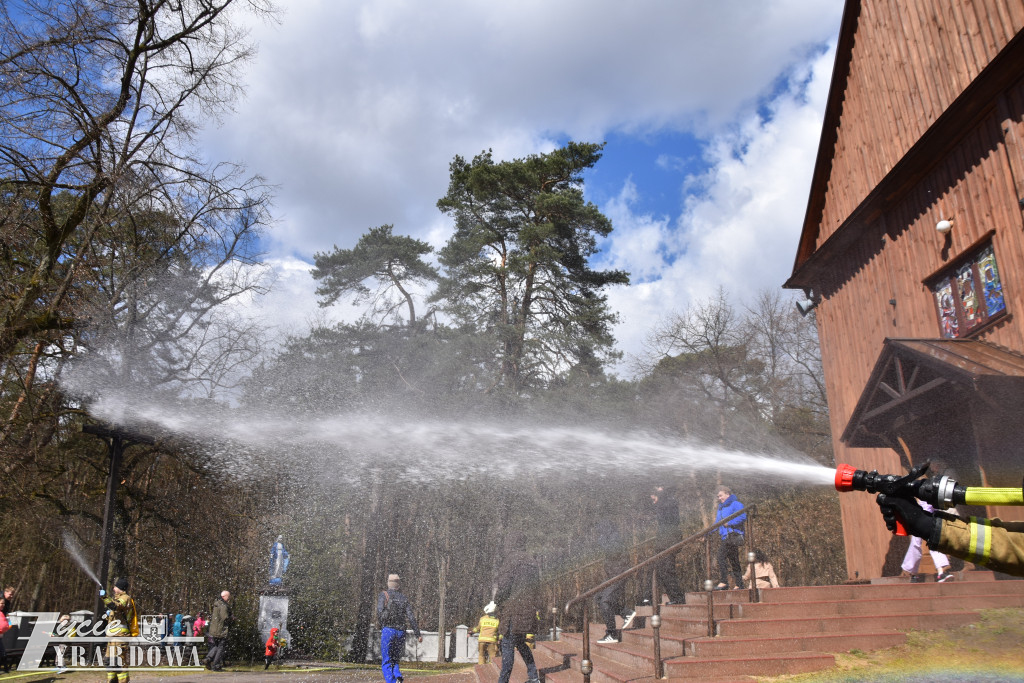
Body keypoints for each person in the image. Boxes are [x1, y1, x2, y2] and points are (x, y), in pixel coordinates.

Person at [877, 494, 1024, 577]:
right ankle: (911, 570)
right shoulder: (924, 490)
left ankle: (936, 569)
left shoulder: (935, 488)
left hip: (939, 521)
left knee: (931, 543)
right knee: (920, 543)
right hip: (935, 523)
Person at [494, 532, 541, 683]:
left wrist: (496, 601)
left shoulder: (511, 560)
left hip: (512, 612)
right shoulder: (532, 561)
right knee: (520, 642)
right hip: (527, 610)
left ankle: (503, 680)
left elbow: (504, 586)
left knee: (507, 645)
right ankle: (533, 676)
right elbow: (536, 588)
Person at [595, 521, 636, 644]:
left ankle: (612, 634)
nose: (598, 532)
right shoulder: (609, 536)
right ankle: (626, 613)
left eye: (599, 528)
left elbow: (613, 551)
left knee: (605, 601)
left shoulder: (614, 537)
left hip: (619, 573)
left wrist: (602, 541)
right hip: (613, 574)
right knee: (598, 597)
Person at [376, 574, 422, 683]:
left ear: (388, 583)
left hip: (388, 630)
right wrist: (418, 634)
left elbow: (380, 614)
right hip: (401, 632)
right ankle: (397, 675)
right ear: (398, 585)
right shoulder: (403, 598)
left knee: (386, 661)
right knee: (395, 659)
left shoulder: (384, 595)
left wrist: (383, 621)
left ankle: (392, 681)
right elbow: (411, 617)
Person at [644, 485, 686, 604]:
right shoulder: (663, 504)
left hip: (670, 541)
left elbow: (671, 520)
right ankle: (648, 597)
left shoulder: (669, 503)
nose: (653, 503)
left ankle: (678, 598)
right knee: (655, 568)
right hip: (663, 542)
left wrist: (660, 496)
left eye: (654, 499)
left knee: (667, 570)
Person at [900, 499, 954, 582]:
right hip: (921, 513)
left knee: (931, 540)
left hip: (929, 513)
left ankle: (940, 571)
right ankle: (912, 573)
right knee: (917, 542)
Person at [100, 577, 139, 683]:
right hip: (113, 637)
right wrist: (108, 616)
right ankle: (111, 681)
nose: (113, 588)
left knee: (119, 661)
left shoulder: (125, 598)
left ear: (120, 588)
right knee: (109, 661)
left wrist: (104, 597)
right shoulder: (117, 599)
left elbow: (115, 606)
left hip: (120, 636)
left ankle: (123, 681)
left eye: (115, 586)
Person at [714, 487, 746, 590]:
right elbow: (717, 524)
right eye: (718, 496)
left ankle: (724, 581)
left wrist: (730, 523)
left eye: (721, 495)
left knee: (720, 556)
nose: (719, 498)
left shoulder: (736, 504)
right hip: (725, 536)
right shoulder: (721, 508)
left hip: (733, 535)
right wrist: (706, 534)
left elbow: (742, 516)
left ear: (727, 494)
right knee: (734, 560)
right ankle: (739, 584)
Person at [203, 591, 233, 671]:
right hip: (221, 630)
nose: (229, 598)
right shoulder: (223, 606)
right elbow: (225, 618)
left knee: (216, 646)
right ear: (224, 596)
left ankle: (208, 658)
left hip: (214, 629)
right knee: (221, 647)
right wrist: (232, 618)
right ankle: (216, 665)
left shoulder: (217, 604)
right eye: (228, 596)